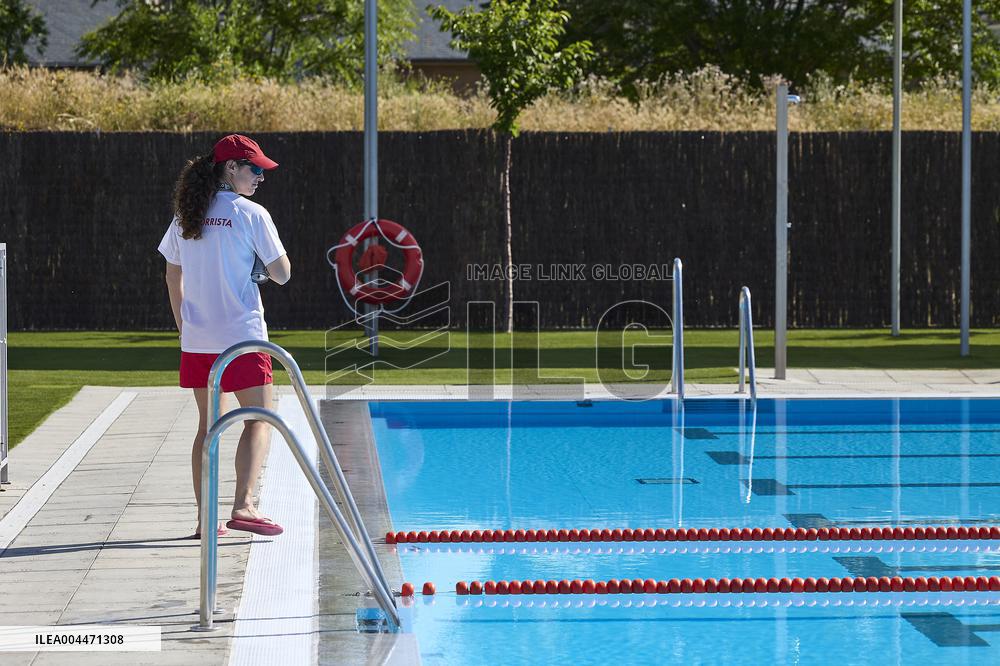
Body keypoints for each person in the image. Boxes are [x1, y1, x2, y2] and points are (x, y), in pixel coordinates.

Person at [157, 134, 292, 538]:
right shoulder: (251, 214)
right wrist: (259, 268)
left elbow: (171, 272)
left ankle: (205, 522)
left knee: (207, 428)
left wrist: (184, 324)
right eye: (254, 169)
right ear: (230, 168)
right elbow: (283, 273)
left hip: (199, 340)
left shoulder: (187, 216)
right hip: (243, 337)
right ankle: (245, 506)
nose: (259, 178)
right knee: (259, 420)